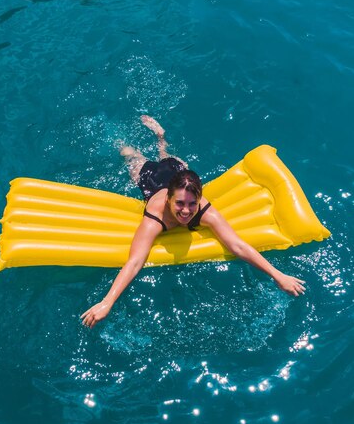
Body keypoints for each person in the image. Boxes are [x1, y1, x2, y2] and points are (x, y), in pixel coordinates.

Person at [81, 116, 306, 328]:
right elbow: (135, 262)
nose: (186, 211)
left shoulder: (204, 210)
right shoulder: (155, 216)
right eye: (179, 204)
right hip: (152, 180)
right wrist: (107, 302)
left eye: (192, 204)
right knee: (131, 156)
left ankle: (161, 137)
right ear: (169, 199)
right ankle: (121, 137)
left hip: (178, 171)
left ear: (199, 197)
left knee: (168, 157)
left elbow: (237, 245)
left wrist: (278, 275)